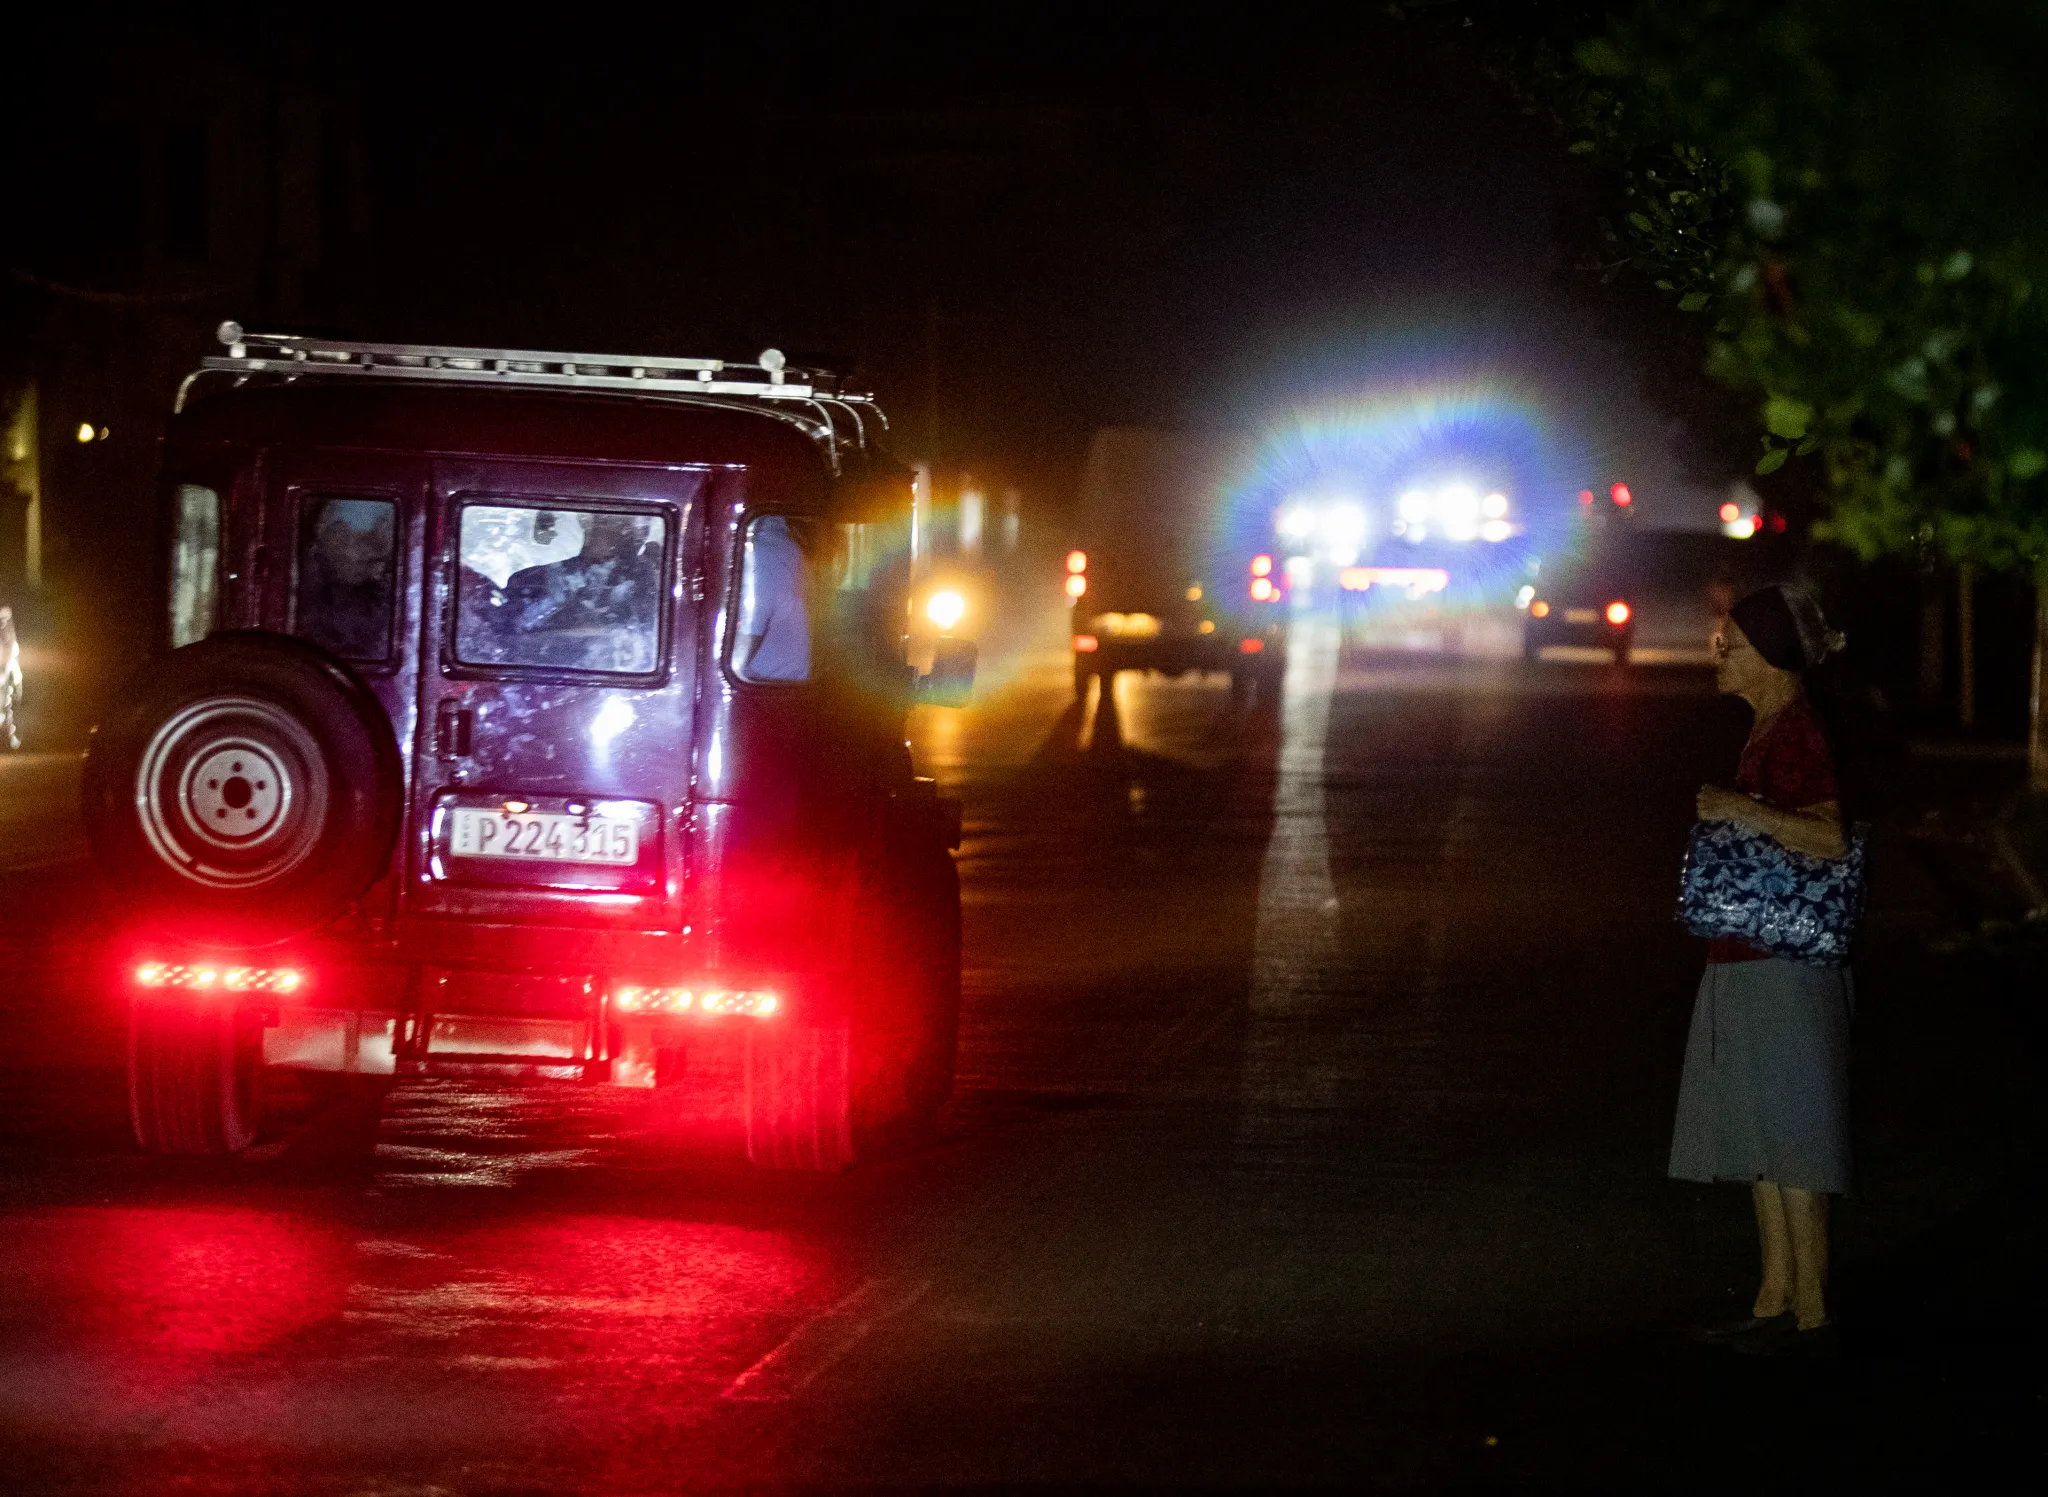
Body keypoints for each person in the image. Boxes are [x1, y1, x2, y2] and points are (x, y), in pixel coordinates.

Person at [1670, 583, 1852, 1356]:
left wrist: (1736, 809)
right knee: (1764, 1129)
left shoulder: (1797, 731)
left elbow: (1830, 839)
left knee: (1795, 1130)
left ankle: (1810, 1309)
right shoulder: (1769, 728)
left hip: (1784, 955)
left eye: (1733, 644)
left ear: (1773, 657)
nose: (1719, 654)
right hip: (1751, 951)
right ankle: (1776, 1294)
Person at [500, 512, 662, 670]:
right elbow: (506, 647)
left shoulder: (651, 591)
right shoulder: (528, 582)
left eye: (644, 526)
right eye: (626, 524)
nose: (639, 534)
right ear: (591, 523)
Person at [736, 515, 812, 682]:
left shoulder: (762, 553)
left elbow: (748, 639)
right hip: (782, 682)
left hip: (764, 685)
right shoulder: (789, 547)